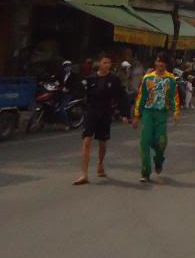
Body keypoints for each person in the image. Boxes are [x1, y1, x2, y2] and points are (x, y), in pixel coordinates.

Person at [73, 53, 130, 185]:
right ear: (99, 63)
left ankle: (100, 164)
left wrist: (125, 114)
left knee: (102, 142)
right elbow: (83, 94)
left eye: (109, 63)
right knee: (87, 140)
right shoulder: (91, 78)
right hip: (91, 112)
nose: (107, 65)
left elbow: (121, 97)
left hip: (105, 112)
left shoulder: (114, 79)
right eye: (104, 62)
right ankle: (84, 174)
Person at [132, 52, 180, 183]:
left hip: (161, 114)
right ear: (155, 63)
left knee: (161, 141)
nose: (160, 64)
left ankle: (158, 161)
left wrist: (176, 112)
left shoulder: (171, 79)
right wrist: (136, 115)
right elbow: (141, 97)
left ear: (166, 64)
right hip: (148, 113)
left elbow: (174, 97)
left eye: (163, 62)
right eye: (158, 61)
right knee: (145, 142)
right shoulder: (148, 78)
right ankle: (145, 172)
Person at [58, 60, 82, 129]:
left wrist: (68, 89)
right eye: (66, 66)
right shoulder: (60, 75)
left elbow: (76, 85)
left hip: (69, 94)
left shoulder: (74, 76)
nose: (67, 68)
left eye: (69, 66)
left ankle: (67, 124)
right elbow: (55, 81)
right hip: (59, 93)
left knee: (62, 108)